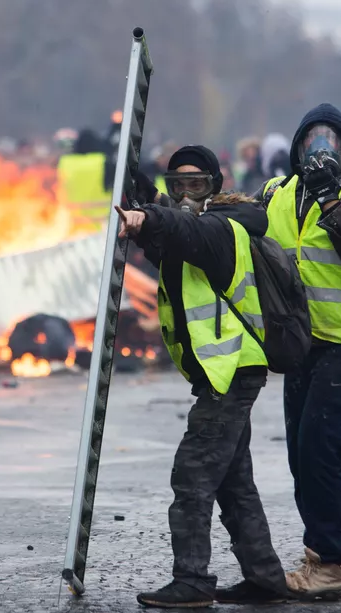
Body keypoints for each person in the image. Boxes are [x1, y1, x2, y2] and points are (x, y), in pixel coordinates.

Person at [120, 146, 289, 609]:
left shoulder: (221, 227)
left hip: (230, 372)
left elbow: (179, 229)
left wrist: (148, 218)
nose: (185, 193)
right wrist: (139, 191)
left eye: (195, 184)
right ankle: (266, 578)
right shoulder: (192, 228)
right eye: (178, 184)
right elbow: (169, 240)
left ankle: (192, 581)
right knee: (235, 483)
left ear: (215, 185)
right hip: (227, 372)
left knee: (192, 477)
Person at [254, 103, 341, 600]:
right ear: (296, 146)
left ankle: (329, 567)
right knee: (299, 456)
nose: (322, 147)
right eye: (313, 138)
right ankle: (317, 555)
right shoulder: (277, 194)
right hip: (304, 347)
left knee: (321, 452)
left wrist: (333, 203)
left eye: (332, 139)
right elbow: (231, 230)